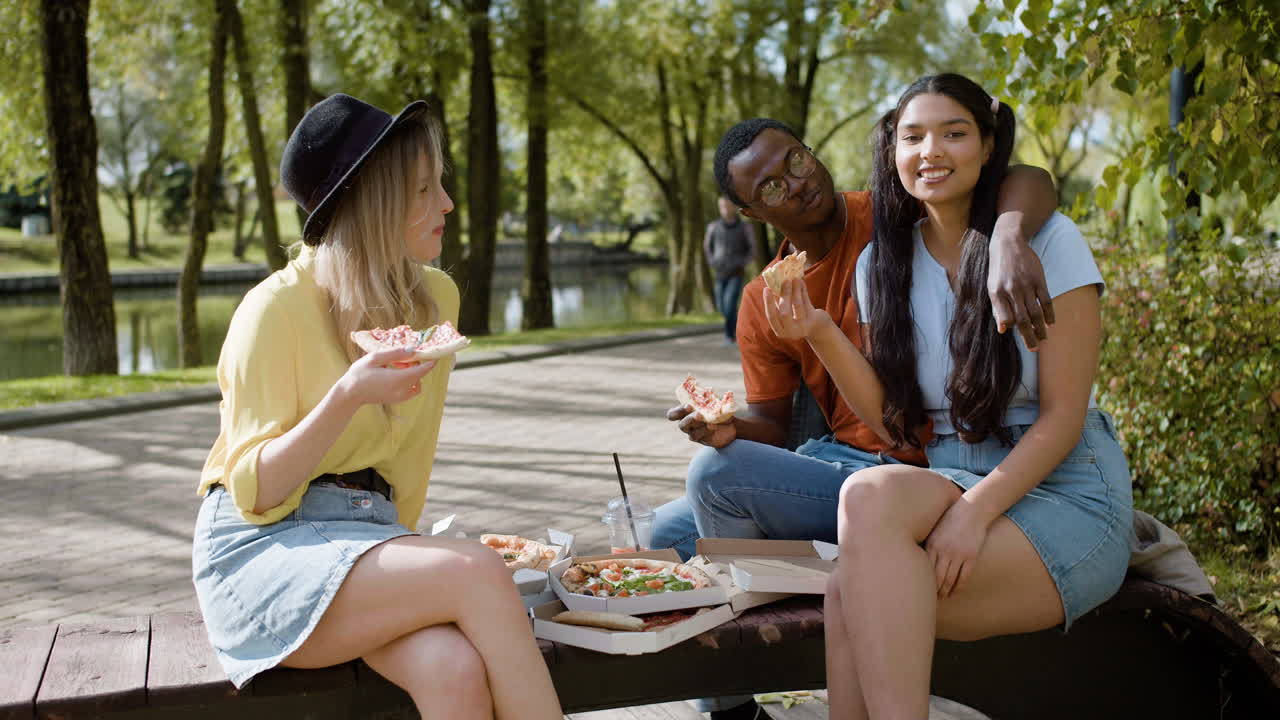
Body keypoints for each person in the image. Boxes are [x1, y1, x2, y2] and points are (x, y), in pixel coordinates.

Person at [652, 118, 1057, 719]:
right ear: (751, 213)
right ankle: (735, 711)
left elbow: (1029, 177)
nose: (796, 183)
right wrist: (726, 428)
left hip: (919, 470)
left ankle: (791, 578)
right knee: (667, 535)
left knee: (713, 478)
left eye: (795, 160)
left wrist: (1008, 235)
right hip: (836, 465)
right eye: (768, 189)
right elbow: (769, 421)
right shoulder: (765, 298)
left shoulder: (893, 216)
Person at [766, 73, 1133, 718]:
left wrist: (972, 515)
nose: (930, 151)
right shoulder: (880, 264)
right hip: (954, 475)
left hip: (1064, 491)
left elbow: (1064, 418)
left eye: (953, 133)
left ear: (988, 145)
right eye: (913, 137)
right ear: (893, 152)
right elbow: (895, 428)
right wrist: (818, 332)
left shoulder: (1047, 243)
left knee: (850, 590)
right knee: (865, 496)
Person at [191, 94, 563, 719]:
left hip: (367, 536)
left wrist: (406, 551)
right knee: (480, 572)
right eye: (423, 189)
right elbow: (255, 493)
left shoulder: (434, 301)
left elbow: (408, 464)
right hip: (262, 551)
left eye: (440, 183)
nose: (446, 203)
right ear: (373, 203)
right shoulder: (272, 310)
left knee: (452, 668)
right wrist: (348, 395)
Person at [704, 194, 758, 344]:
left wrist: (742, 262)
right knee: (722, 307)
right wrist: (712, 262)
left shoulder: (745, 227)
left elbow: (753, 250)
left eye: (728, 206)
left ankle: (730, 336)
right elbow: (707, 248)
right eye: (722, 206)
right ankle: (737, 329)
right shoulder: (713, 227)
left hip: (736, 272)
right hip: (719, 272)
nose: (725, 209)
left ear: (734, 207)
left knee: (729, 304)